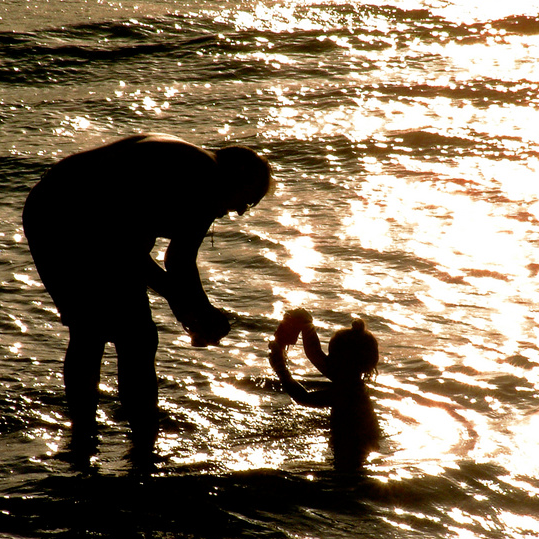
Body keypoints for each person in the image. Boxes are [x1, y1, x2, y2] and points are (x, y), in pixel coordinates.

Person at [22, 132, 272, 453]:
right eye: (248, 201)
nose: (239, 212)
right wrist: (200, 312)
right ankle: (141, 441)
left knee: (93, 331)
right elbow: (129, 250)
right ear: (238, 175)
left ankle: (86, 439)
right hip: (72, 215)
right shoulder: (207, 179)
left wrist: (192, 312)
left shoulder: (199, 166)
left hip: (48, 205)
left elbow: (176, 262)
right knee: (132, 337)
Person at [269, 309, 381, 470]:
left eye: (331, 356)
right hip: (362, 444)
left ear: (343, 362)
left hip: (354, 451)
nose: (327, 359)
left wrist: (281, 370)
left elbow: (303, 398)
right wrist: (307, 326)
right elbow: (315, 354)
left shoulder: (348, 393)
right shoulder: (351, 379)